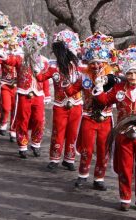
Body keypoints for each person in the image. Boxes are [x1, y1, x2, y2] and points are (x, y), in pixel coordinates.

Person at [94, 45, 136, 211]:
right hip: (124, 135)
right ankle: (125, 198)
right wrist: (99, 86)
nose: (133, 76)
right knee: (125, 167)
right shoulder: (118, 89)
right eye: (129, 73)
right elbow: (104, 101)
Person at [65, 31, 116, 190]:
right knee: (86, 148)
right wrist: (64, 80)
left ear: (105, 63)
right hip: (87, 117)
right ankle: (83, 175)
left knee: (103, 149)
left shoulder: (111, 78)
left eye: (99, 62)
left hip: (105, 118)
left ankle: (99, 178)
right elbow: (71, 91)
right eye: (92, 63)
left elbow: (114, 96)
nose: (95, 66)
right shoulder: (84, 77)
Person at [36, 30, 83, 171]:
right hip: (60, 104)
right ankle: (54, 158)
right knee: (58, 132)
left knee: (73, 133)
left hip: (76, 104)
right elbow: (40, 77)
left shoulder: (80, 66)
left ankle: (69, 159)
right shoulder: (53, 66)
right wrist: (34, 65)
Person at [2, 23, 49, 159]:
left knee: (39, 120)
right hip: (23, 93)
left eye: (35, 42)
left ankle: (36, 143)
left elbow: (45, 79)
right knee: (22, 120)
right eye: (30, 41)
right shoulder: (20, 57)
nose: (32, 45)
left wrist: (46, 94)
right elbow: (10, 60)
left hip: (38, 94)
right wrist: (4, 57)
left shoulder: (44, 61)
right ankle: (22, 145)